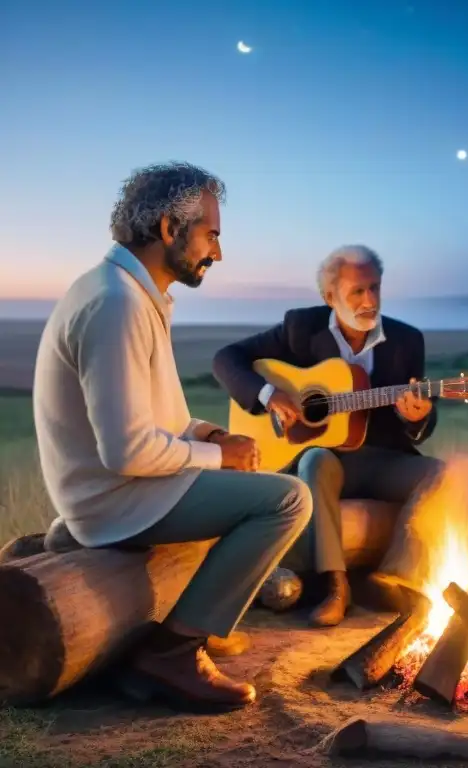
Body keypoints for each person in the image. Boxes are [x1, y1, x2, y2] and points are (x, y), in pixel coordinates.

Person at [32, 162, 314, 713]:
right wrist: (214, 454)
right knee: (287, 498)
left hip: (116, 489)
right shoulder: (116, 304)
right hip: (114, 497)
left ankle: (188, 623)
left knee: (247, 477)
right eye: (211, 234)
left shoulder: (129, 292)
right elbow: (127, 451)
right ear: (168, 229)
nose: (218, 252)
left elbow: (152, 418)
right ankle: (174, 651)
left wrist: (206, 434)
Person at [213, 245, 442, 627]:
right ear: (329, 296)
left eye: (375, 288)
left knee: (440, 474)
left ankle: (393, 578)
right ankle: (335, 587)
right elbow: (226, 359)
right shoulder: (301, 328)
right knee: (316, 459)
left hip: (380, 458)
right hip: (322, 460)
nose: (369, 300)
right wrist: (270, 396)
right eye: (357, 291)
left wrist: (418, 417)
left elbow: (418, 426)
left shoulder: (407, 340)